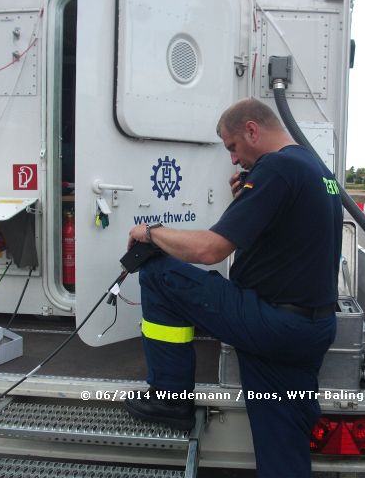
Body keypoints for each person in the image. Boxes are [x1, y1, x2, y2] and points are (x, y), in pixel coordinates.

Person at [124, 98, 343, 477]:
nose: (233, 158)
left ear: (252, 130)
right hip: (309, 328)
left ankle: (170, 398)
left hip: (273, 321)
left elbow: (211, 250)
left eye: (232, 146)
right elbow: (282, 239)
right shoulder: (313, 166)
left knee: (158, 271)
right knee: (283, 446)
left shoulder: (277, 168)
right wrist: (246, 199)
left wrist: (150, 232)